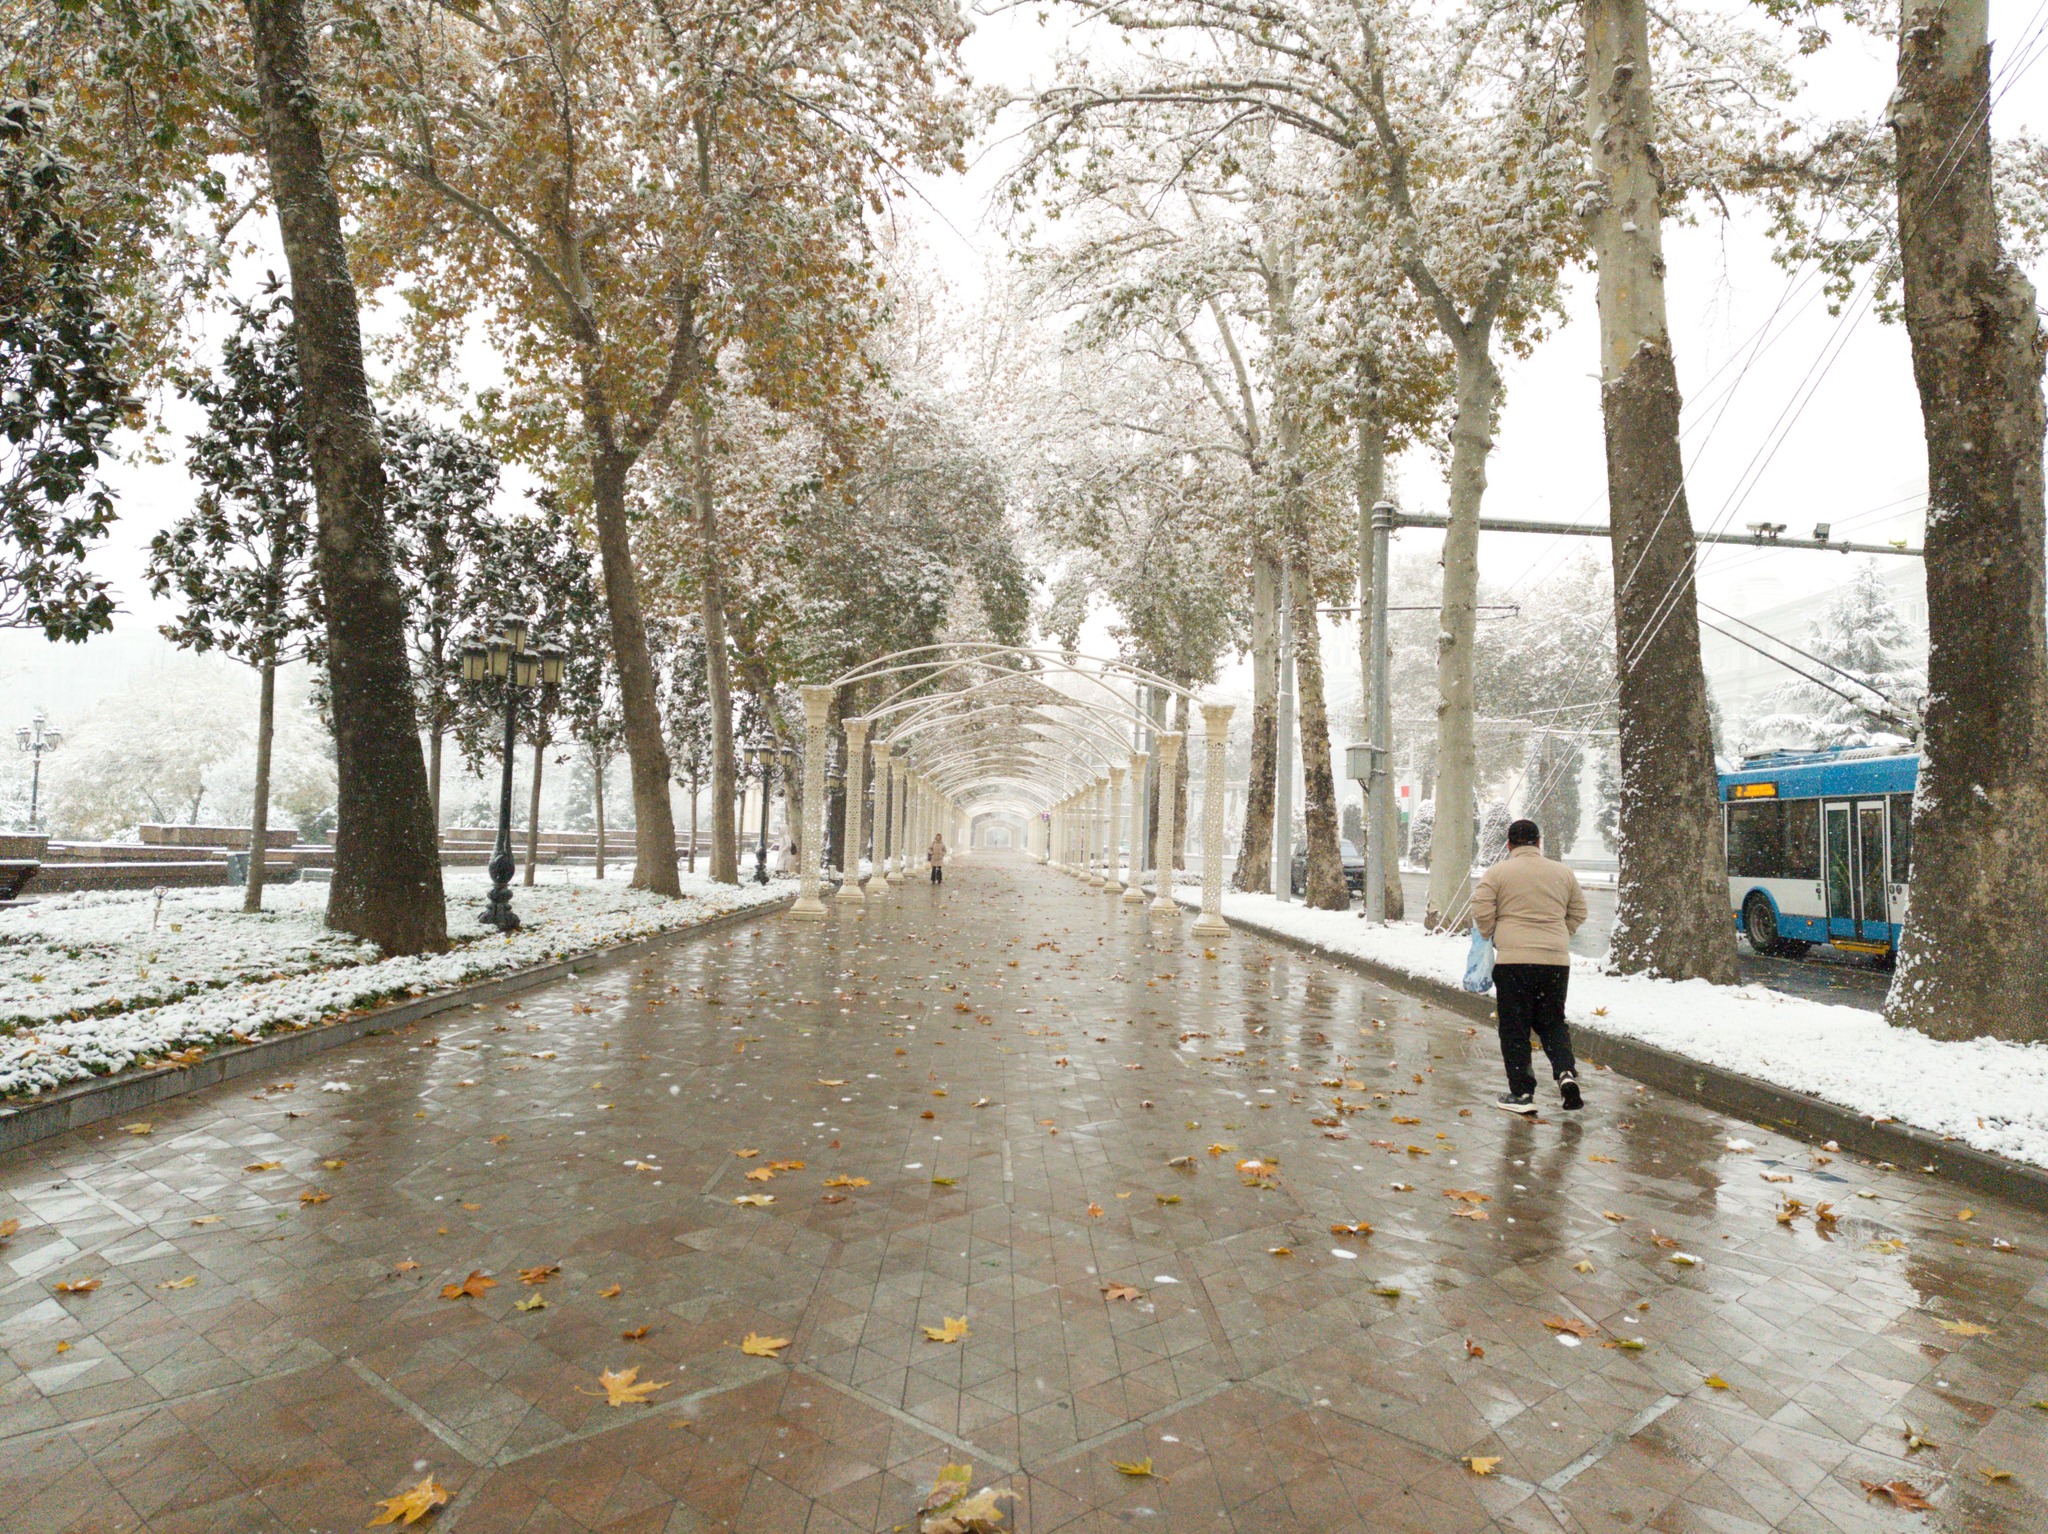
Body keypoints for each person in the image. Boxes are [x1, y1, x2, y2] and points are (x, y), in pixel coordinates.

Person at [1470, 818, 1587, 1114]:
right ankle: (1565, 1073)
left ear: (1509, 844)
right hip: (1555, 962)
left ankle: (1522, 1093)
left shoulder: (1498, 873)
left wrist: (1492, 933)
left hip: (1514, 961)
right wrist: (1561, 933)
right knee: (1553, 1021)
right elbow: (1579, 911)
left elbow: (1481, 907)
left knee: (1515, 1027)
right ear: (1538, 842)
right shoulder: (1562, 873)